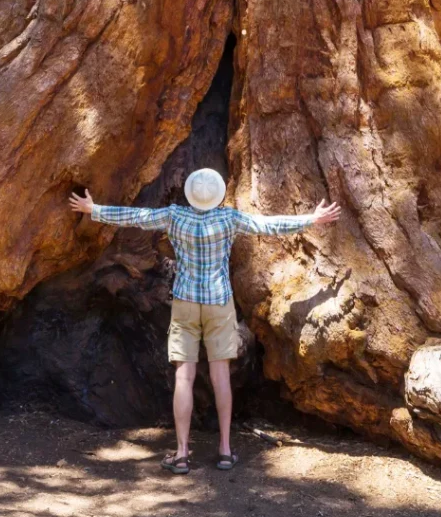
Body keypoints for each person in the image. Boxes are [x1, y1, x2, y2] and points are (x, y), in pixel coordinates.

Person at [68, 168, 341, 474]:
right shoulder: (229, 219)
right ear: (218, 194)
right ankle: (225, 449)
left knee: (184, 377)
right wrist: (311, 219)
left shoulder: (175, 216)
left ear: (190, 193)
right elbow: (268, 225)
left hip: (185, 302)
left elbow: (137, 217)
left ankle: (183, 453)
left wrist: (94, 210)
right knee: (220, 376)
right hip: (218, 303)